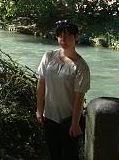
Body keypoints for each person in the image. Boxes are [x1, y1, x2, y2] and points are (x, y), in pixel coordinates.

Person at [36, 20, 90, 160]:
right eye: (60, 35)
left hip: (68, 119)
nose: (63, 39)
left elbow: (79, 97)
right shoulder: (49, 56)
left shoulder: (81, 67)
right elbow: (41, 84)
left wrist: (75, 123)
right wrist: (39, 109)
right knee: (54, 154)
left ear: (75, 37)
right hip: (49, 116)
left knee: (69, 156)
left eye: (67, 36)